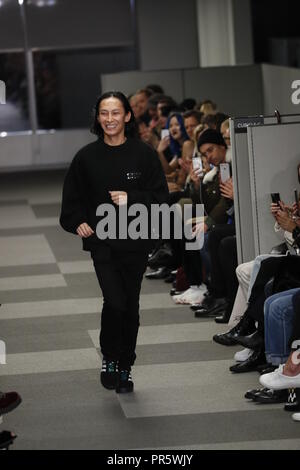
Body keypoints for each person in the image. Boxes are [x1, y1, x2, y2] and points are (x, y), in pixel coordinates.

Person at [60, 91, 168, 394]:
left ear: (127, 116)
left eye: (115, 113)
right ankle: (110, 356)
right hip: (102, 242)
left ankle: (126, 365)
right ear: (98, 118)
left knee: (130, 305)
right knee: (115, 300)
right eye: (104, 113)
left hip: (136, 241)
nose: (110, 119)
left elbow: (161, 198)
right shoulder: (86, 157)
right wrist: (76, 221)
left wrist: (130, 198)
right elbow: (72, 201)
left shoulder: (144, 154)